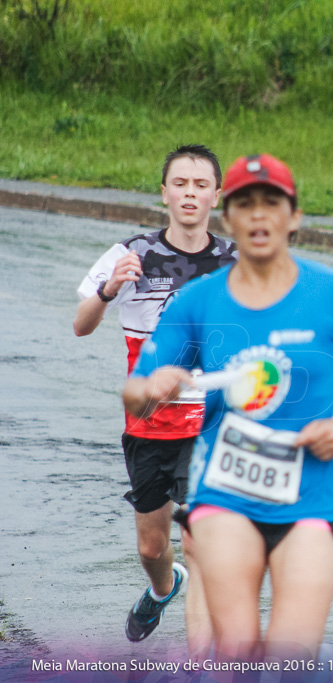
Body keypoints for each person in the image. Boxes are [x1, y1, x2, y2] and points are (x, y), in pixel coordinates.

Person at [122, 153, 333, 660]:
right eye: (246, 204)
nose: (259, 215)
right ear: (229, 218)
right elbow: (134, 392)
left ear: (295, 216)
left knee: (293, 654)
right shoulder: (196, 302)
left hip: (315, 495)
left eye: (273, 203)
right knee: (236, 652)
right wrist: (153, 382)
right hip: (227, 492)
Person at [73, 144, 233, 653]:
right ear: (164, 192)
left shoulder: (234, 261)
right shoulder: (132, 254)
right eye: (180, 184)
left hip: (210, 429)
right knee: (152, 546)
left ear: (216, 195)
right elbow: (80, 325)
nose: (190, 193)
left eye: (200, 184)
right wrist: (106, 292)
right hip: (147, 427)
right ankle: (164, 588)